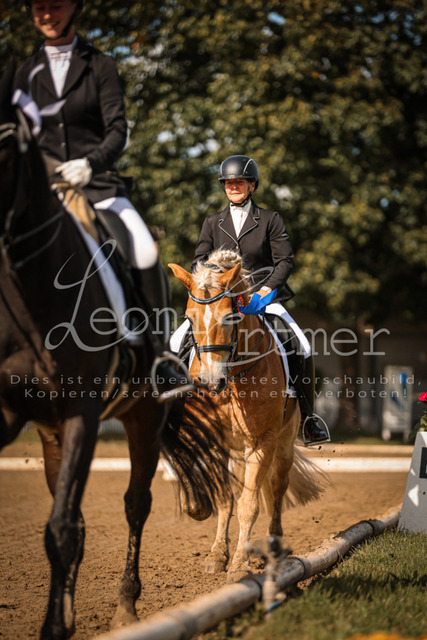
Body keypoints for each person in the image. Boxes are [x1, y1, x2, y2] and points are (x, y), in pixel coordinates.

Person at [13, 0, 194, 401]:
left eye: (55, 5)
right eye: (39, 7)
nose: (47, 14)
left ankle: (159, 357)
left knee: (144, 250)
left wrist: (89, 164)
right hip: (42, 192)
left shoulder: (99, 65)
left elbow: (117, 130)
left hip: (96, 185)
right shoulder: (24, 73)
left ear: (74, 8)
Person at [191, 155, 330, 445]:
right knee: (177, 340)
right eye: (229, 183)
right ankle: (176, 409)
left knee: (301, 344)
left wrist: (264, 292)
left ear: (252, 185)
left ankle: (309, 418)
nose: (233, 187)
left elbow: (284, 261)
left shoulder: (269, 219)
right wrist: (213, 282)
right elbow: (198, 261)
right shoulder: (212, 222)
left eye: (239, 182)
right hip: (221, 301)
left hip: (261, 299)